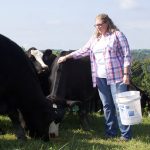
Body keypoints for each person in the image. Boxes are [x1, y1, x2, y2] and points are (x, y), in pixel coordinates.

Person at [57, 13, 132, 141]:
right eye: (96, 25)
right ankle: (110, 133)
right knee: (107, 106)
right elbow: (82, 51)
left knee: (121, 105)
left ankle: (126, 135)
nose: (98, 27)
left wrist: (126, 74)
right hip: (100, 77)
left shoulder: (117, 35)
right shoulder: (94, 39)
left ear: (107, 23)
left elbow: (127, 55)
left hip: (118, 76)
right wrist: (66, 57)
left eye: (100, 24)